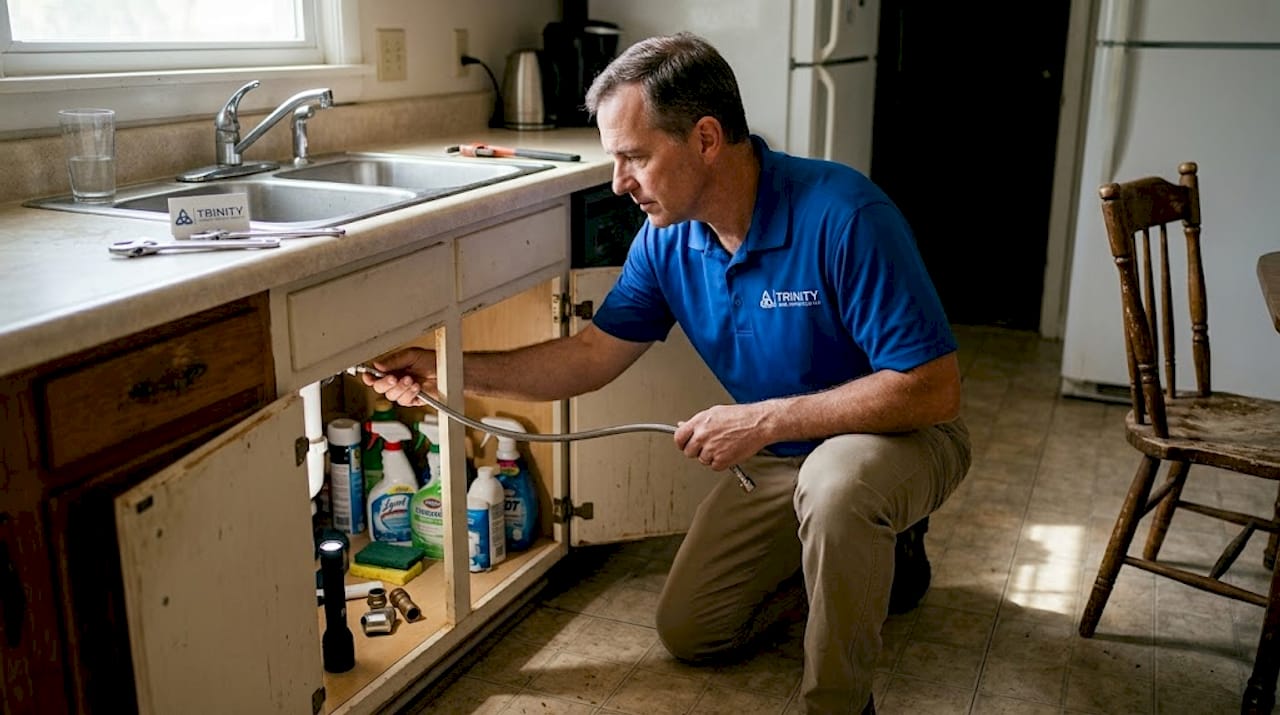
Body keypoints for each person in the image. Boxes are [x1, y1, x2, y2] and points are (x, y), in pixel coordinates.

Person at [365, 32, 971, 715]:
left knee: (839, 488)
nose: (619, 181)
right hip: (786, 457)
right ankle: (877, 565)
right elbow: (591, 355)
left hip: (902, 434)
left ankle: (838, 700)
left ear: (706, 140)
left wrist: (764, 418)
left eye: (634, 157)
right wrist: (445, 370)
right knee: (692, 628)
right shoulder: (666, 240)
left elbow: (933, 387)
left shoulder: (844, 214)